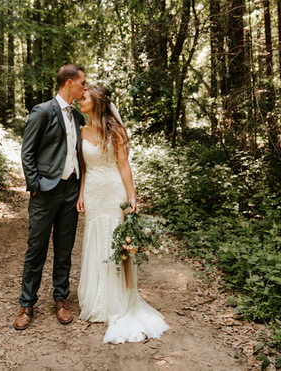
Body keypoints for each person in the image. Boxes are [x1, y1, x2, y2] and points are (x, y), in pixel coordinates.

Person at [76, 85, 170, 344]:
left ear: (96, 102)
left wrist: (132, 198)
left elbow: (123, 165)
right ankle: (97, 299)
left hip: (114, 191)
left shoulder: (116, 131)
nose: (80, 100)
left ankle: (118, 302)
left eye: (84, 98)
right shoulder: (82, 130)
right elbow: (84, 168)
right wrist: (81, 194)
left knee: (116, 244)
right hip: (93, 193)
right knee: (95, 239)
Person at [15, 64, 88, 330]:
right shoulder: (43, 111)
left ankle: (61, 298)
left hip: (71, 190)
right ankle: (26, 304)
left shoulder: (79, 118)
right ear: (69, 83)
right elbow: (27, 152)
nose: (85, 88)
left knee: (64, 248)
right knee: (36, 249)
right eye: (82, 83)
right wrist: (35, 185)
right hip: (45, 191)